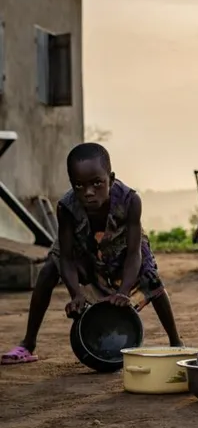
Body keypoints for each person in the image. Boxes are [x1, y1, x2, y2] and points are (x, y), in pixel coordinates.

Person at [1, 143, 183, 365]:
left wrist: (124, 291)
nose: (88, 192)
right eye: (79, 185)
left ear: (111, 179)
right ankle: (27, 344)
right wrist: (76, 294)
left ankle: (177, 344)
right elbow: (66, 257)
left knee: (152, 279)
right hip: (84, 251)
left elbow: (134, 253)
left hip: (123, 250)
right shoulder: (67, 208)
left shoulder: (130, 201)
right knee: (49, 269)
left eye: (97, 183)